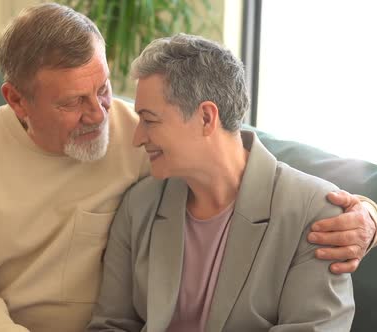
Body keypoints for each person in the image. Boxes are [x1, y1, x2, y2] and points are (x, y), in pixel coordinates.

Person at [0, 3, 376, 332]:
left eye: (102, 89)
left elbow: (235, 154)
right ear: (17, 100)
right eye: (73, 102)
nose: (101, 116)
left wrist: (365, 212)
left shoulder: (142, 137)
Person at [87, 33, 355, 332]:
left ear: (205, 118)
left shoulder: (316, 214)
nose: (138, 138)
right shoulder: (139, 206)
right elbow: (110, 325)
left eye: (149, 120)